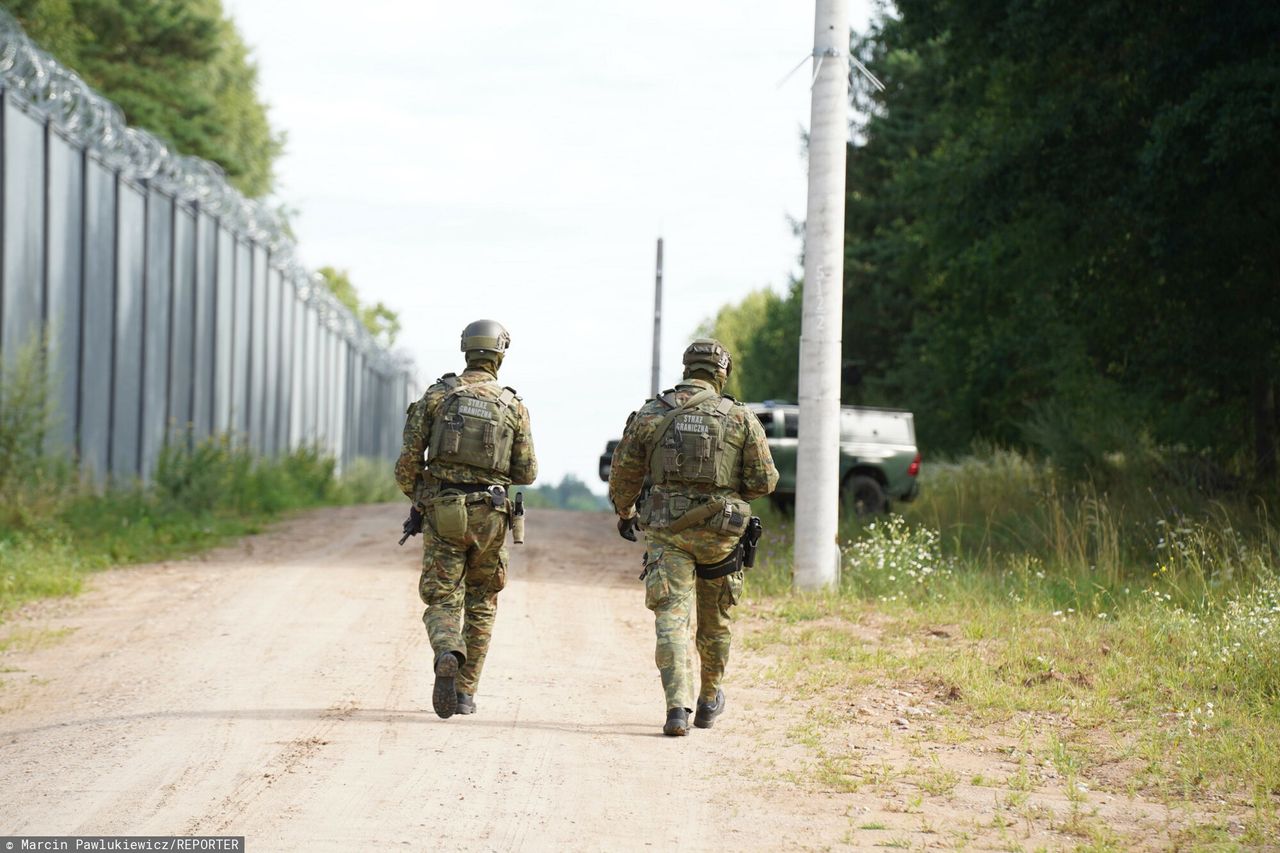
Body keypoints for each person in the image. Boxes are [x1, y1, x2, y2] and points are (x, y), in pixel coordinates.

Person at [608, 339, 778, 736]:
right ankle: (708, 700)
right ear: (721, 373)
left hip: (667, 535)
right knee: (716, 621)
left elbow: (625, 475)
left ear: (685, 369)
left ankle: (676, 709)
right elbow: (765, 481)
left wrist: (625, 511)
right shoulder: (739, 417)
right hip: (721, 536)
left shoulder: (653, 412)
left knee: (671, 617)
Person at [395, 319, 537, 719]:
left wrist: (422, 499)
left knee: (442, 596)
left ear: (466, 349)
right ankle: (465, 693)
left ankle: (446, 649)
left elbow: (408, 463)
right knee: (482, 600)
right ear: (500, 353)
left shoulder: (438, 396)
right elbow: (526, 472)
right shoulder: (513, 406)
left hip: (444, 510)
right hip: (491, 516)